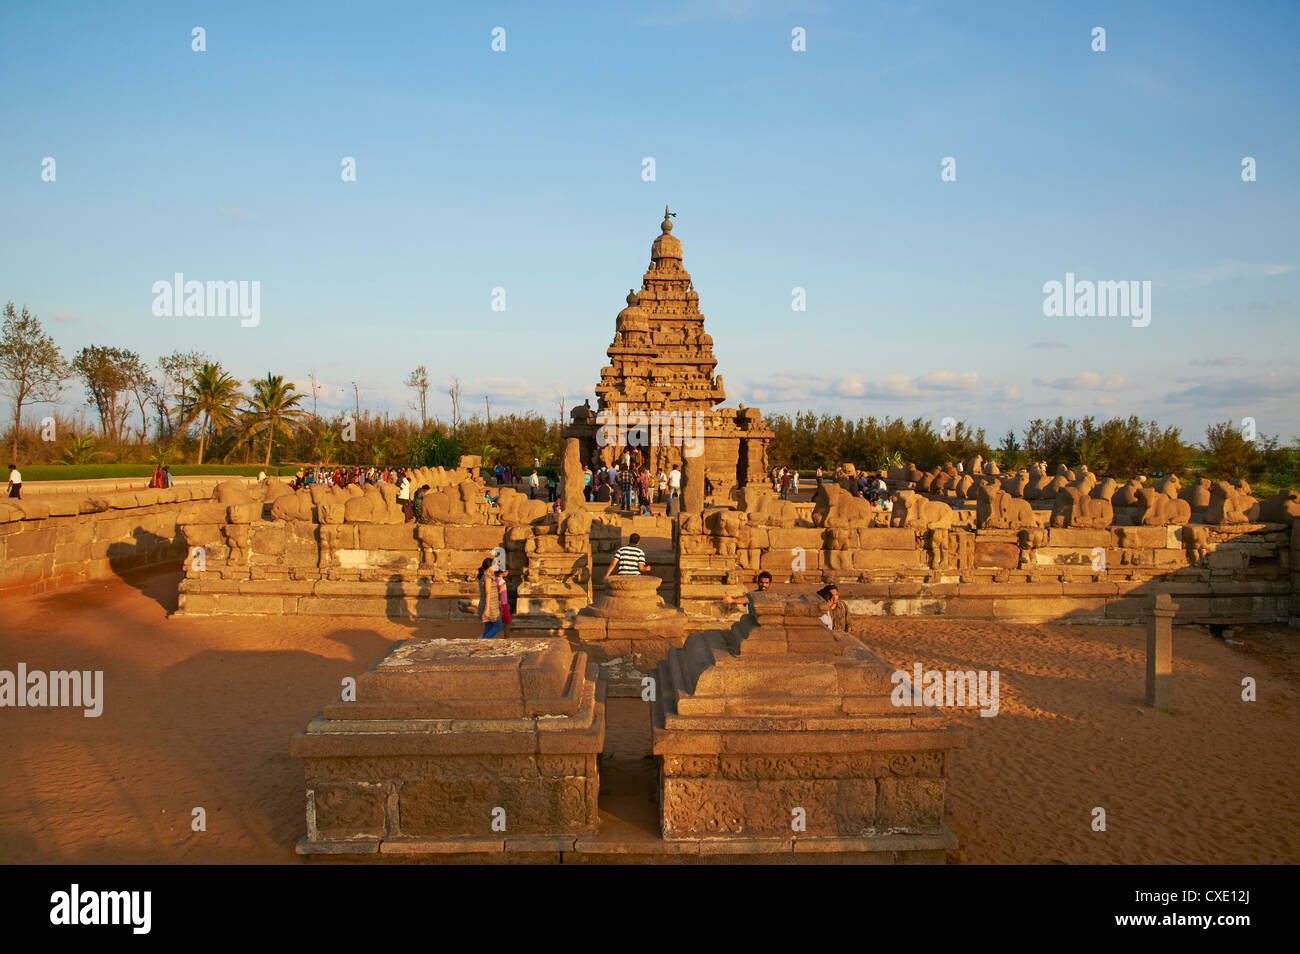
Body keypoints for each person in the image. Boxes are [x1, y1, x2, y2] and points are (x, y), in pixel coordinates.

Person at [478, 558, 503, 638]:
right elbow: (488, 592)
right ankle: (483, 641)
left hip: (487, 604)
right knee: (498, 625)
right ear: (489, 567)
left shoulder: (484, 576)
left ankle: (482, 643)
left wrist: (496, 562)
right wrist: (487, 608)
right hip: (490, 605)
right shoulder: (488, 577)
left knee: (488, 627)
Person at [495, 568, 512, 636]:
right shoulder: (502, 581)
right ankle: (506, 635)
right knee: (507, 620)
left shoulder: (495, 579)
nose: (507, 573)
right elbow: (500, 592)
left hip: (499, 602)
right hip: (502, 603)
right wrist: (499, 601)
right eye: (507, 571)